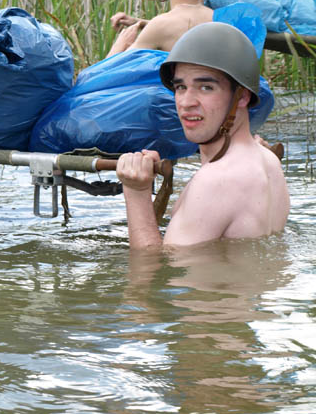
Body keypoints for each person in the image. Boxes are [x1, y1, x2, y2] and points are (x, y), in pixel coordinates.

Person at [116, 22, 289, 248]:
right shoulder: (269, 160)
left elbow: (151, 267)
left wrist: (137, 193)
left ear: (242, 96)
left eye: (206, 87)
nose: (186, 102)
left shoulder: (217, 181)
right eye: (180, 87)